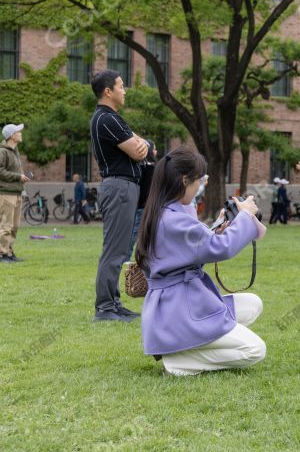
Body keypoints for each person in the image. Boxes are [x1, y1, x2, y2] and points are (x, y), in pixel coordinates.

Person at [135, 147, 267, 376]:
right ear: (184, 180)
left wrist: (218, 229)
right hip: (178, 310)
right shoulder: (174, 219)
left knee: (253, 304)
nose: (200, 186)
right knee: (255, 349)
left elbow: (193, 246)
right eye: (199, 180)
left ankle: (187, 348)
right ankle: (182, 360)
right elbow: (220, 248)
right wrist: (244, 215)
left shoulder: (166, 211)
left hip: (178, 303)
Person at [89, 69, 149, 322]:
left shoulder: (112, 118)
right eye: (121, 86)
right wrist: (142, 145)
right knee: (115, 250)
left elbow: (144, 143)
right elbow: (139, 151)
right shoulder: (106, 119)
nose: (125, 90)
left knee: (120, 248)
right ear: (108, 91)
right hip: (120, 187)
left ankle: (113, 303)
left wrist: (143, 144)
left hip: (126, 187)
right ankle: (105, 307)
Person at [0, 123, 30, 263]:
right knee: (6, 225)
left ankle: (10, 253)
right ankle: (2, 254)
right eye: (18, 131)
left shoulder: (15, 151)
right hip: (6, 194)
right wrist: (18, 176)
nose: (21, 133)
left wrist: (22, 177)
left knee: (14, 226)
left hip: (17, 192)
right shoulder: (3, 152)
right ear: (12, 136)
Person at [126, 140, 158, 260]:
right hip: (147, 206)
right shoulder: (152, 168)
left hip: (137, 204)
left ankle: (127, 258)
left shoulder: (137, 167)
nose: (156, 151)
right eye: (154, 149)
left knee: (133, 233)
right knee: (145, 235)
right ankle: (142, 259)